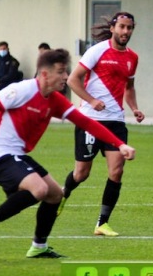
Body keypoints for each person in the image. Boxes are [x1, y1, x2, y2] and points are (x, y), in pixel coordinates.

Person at [0, 48, 136, 258]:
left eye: (66, 72)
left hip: (16, 155)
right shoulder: (21, 90)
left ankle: (39, 246)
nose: (66, 77)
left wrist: (119, 144)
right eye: (61, 72)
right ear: (45, 74)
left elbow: (85, 122)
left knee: (55, 194)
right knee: (39, 189)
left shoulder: (55, 100)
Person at [58, 12, 144, 237]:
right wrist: (91, 100)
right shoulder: (97, 51)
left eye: (130, 28)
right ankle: (61, 195)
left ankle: (102, 223)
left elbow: (129, 87)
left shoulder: (132, 58)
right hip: (90, 120)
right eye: (122, 27)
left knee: (117, 171)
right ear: (114, 28)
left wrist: (134, 108)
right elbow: (73, 80)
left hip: (115, 121)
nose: (126, 32)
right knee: (81, 174)